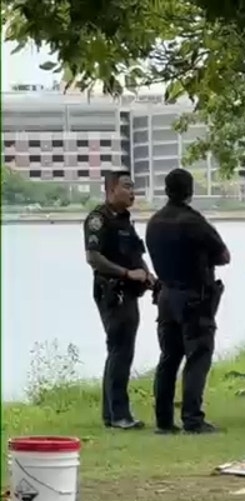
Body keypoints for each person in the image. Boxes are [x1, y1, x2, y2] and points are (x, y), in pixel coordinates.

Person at [145, 169, 230, 434]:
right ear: (190, 191)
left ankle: (163, 420)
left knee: (169, 358)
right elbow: (223, 255)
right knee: (197, 356)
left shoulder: (154, 222)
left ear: (166, 190)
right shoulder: (194, 222)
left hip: (166, 295)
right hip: (194, 296)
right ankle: (193, 418)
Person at [83, 170, 155, 430]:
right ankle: (119, 415)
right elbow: (93, 257)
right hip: (112, 292)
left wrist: (147, 275)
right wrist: (126, 273)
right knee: (120, 351)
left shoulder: (125, 220)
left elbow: (135, 254)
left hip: (130, 292)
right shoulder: (98, 219)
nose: (132, 192)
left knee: (121, 351)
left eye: (133, 187)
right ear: (111, 190)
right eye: (126, 187)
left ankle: (111, 414)